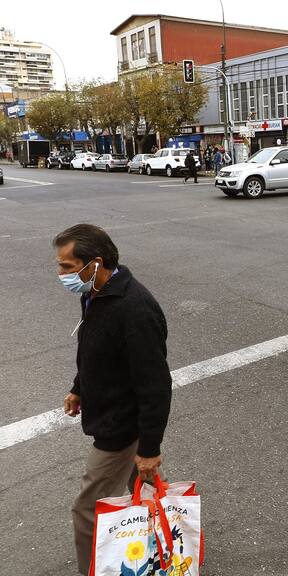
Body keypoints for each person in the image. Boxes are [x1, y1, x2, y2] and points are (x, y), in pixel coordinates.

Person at [54, 224, 172, 574]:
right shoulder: (95, 292)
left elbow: (156, 385)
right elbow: (94, 351)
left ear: (95, 263)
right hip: (110, 413)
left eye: (67, 267)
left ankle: (94, 570)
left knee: (87, 510)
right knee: (145, 488)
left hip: (120, 427)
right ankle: (161, 546)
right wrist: (79, 387)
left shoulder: (134, 310)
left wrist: (149, 448)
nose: (60, 274)